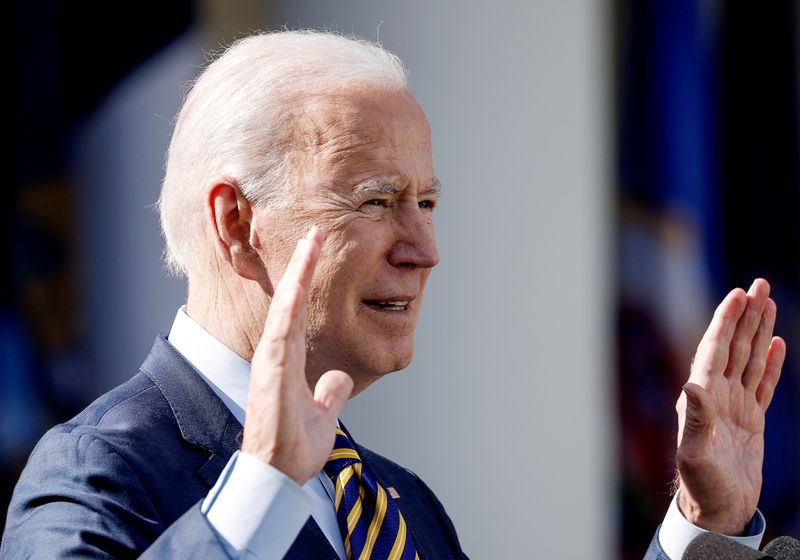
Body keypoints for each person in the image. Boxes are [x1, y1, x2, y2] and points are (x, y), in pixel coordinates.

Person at [0, 31, 786, 559]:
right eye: (375, 201)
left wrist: (703, 526)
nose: (425, 252)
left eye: (428, 204)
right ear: (237, 224)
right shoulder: (94, 470)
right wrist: (260, 490)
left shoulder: (401, 506)